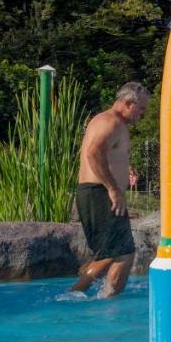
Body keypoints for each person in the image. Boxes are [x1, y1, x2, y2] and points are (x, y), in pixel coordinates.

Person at [69, 82, 150, 297]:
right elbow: (93, 153)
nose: (142, 115)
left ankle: (90, 295)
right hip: (100, 193)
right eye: (141, 109)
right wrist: (113, 188)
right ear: (127, 103)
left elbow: (103, 153)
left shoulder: (110, 122)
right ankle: (103, 299)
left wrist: (125, 167)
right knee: (122, 253)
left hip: (97, 192)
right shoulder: (111, 122)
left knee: (113, 252)